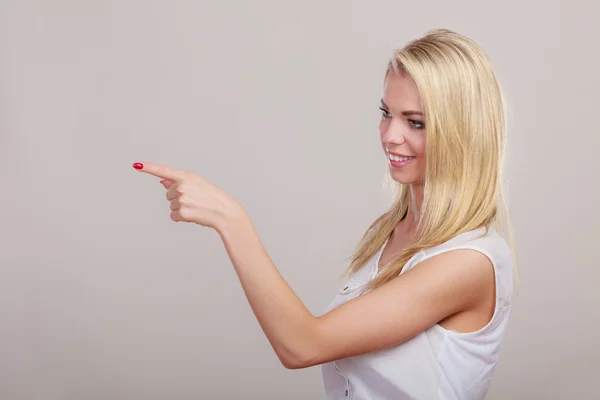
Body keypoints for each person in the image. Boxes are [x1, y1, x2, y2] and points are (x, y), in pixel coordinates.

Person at [132, 27, 515, 400]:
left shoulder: (468, 262)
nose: (389, 135)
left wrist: (229, 218)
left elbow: (303, 345)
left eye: (415, 122)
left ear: (462, 133)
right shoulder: (392, 230)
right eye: (386, 113)